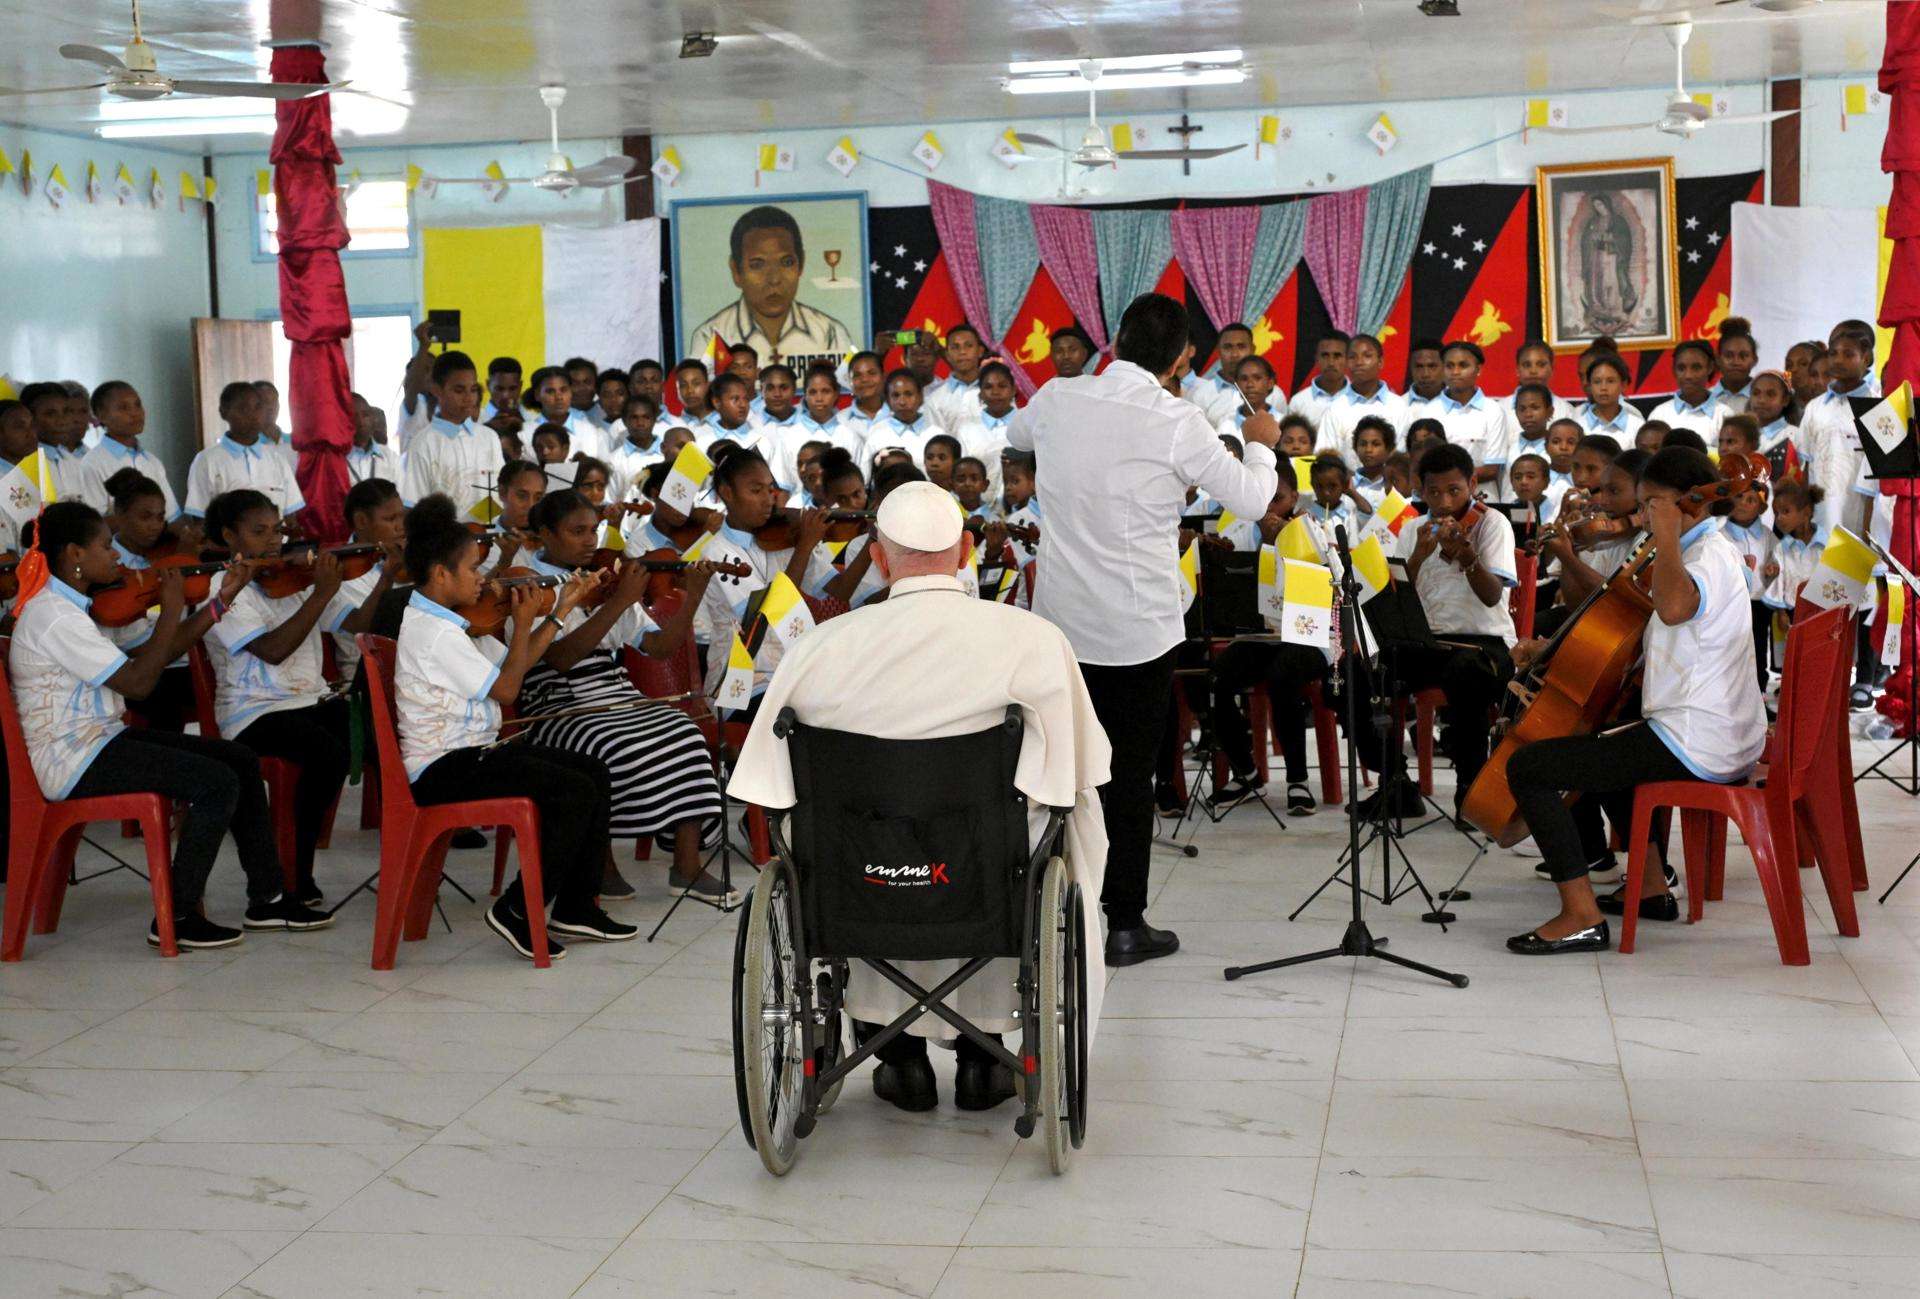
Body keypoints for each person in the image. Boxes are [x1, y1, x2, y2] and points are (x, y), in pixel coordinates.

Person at [729, 480, 1110, 1113]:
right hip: (989, 883)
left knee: (846, 832)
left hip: (859, 887)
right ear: (965, 551)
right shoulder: (1033, 640)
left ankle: (896, 1053)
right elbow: (1081, 771)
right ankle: (985, 1055)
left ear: (878, 557)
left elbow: (765, 786)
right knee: (1049, 821)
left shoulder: (818, 649)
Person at [1006, 292, 1280, 966]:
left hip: (1063, 624)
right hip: (1138, 629)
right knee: (1127, 774)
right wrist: (1263, 447)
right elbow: (1251, 497)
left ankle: (1041, 909)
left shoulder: (1058, 397)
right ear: (1183, 358)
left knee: (1058, 768)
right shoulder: (1177, 419)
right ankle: (1123, 922)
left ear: (1116, 341)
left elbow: (1015, 437)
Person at [9, 500, 332, 948]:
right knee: (215, 782)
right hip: (73, 758)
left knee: (237, 759)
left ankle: (268, 899)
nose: (118, 557)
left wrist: (220, 602)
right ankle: (175, 916)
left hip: (97, 741)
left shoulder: (75, 609)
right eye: (106, 547)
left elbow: (151, 655)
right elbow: (141, 684)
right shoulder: (54, 617)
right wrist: (172, 604)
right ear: (74, 555)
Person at [1504, 447, 1766, 952]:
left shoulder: (1705, 553)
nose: (1639, 516)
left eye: (1651, 504)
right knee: (1605, 744)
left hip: (1699, 738)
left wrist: (1666, 534)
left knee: (1530, 768)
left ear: (1687, 504)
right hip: (1711, 729)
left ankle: (1579, 914)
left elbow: (1671, 609)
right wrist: (1554, 651)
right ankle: (1649, 888)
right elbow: (1655, 636)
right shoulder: (1701, 549)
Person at [394, 495, 633, 958]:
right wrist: (524, 622)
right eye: (472, 569)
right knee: (572, 790)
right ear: (441, 574)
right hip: (443, 768)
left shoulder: (456, 623)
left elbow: (513, 667)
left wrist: (559, 611)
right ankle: (517, 909)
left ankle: (576, 907)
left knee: (592, 770)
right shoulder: (434, 632)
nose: (484, 579)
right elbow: (507, 693)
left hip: (473, 753)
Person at [513, 489, 733, 905]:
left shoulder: (604, 577)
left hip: (616, 692)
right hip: (557, 704)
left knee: (684, 732)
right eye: (576, 532)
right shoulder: (527, 582)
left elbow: (659, 647)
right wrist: (618, 602)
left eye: (593, 530)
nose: (590, 541)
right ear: (545, 534)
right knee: (605, 744)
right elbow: (560, 658)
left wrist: (694, 594)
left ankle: (685, 865)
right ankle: (601, 864)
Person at [201, 489, 352, 906]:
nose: (273, 540)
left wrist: (388, 574)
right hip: (254, 713)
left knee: (370, 731)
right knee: (327, 754)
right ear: (230, 536)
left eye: (277, 530)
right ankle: (294, 870)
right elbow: (272, 650)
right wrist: (320, 592)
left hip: (308, 700)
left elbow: (359, 620)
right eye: (259, 531)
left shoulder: (292, 576)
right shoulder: (223, 587)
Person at [1377, 442, 1519, 818]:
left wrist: (1468, 556)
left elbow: (1491, 597)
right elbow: (1397, 599)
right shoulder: (1412, 529)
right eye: (1434, 492)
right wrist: (1420, 556)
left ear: (1472, 484)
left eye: (1454, 491)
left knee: (1465, 676)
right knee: (1360, 676)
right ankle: (1396, 784)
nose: (1443, 501)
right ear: (1420, 491)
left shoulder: (1492, 523)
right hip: (1427, 643)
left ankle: (1469, 789)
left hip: (1482, 644)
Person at [1209, 462, 1329, 818]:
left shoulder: (1313, 530)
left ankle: (1297, 779)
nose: (1270, 509)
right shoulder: (1242, 532)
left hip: (1308, 638)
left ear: (1294, 496)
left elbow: (1323, 593)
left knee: (1283, 677)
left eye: (1277, 499)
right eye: (1262, 500)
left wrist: (1283, 545)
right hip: (1260, 636)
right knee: (1217, 677)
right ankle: (1246, 772)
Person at [686, 205, 856, 370]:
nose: (774, 279)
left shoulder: (830, 332)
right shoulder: (710, 335)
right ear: (736, 270)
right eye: (757, 265)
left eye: (786, 263)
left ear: (801, 264)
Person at [101, 469, 199, 732]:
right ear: (120, 515)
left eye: (160, 517)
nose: (155, 526)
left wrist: (186, 560)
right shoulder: (110, 567)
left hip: (177, 658)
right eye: (145, 517)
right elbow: (131, 645)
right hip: (139, 666)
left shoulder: (163, 554)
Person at [401, 351, 506, 518]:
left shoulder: (489, 437)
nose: (468, 398)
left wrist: (477, 526)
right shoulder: (423, 443)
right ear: (437, 390)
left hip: (489, 538)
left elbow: (500, 495)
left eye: (473, 390)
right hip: (444, 539)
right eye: (459, 390)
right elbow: (417, 504)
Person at [1802, 319, 1878, 542]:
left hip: (1857, 518)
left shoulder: (1877, 407)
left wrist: (1868, 532)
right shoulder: (1815, 407)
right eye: (1834, 353)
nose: (1839, 360)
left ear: (1865, 358)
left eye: (1848, 354)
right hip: (1819, 519)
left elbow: (1877, 482)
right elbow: (1807, 467)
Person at [184, 382, 305, 522]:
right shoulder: (207, 460)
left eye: (258, 407)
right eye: (243, 409)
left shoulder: (277, 459)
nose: (253, 415)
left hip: (275, 543)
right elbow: (200, 518)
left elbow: (291, 516)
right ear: (224, 412)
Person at [75, 381, 180, 521]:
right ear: (101, 415)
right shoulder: (93, 463)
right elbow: (96, 523)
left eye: (138, 405)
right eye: (123, 408)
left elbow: (172, 516)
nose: (135, 413)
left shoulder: (152, 461)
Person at [1433, 341, 1516, 492]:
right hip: (1440, 498)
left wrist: (1448, 480)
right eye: (1449, 366)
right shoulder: (1430, 411)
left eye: (1463, 365)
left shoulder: (1493, 411)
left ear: (1478, 369)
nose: (1455, 372)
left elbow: (1492, 469)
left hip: (1483, 499)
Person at [1315, 333, 1404, 461]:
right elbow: (1325, 458)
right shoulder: (1336, 408)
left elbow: (1401, 457)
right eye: (1352, 357)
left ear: (1380, 362)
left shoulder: (1398, 406)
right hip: (1347, 480)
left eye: (1367, 356)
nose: (1359, 362)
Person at [858, 369, 943, 472]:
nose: (902, 402)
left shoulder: (936, 434)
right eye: (895, 395)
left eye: (909, 394)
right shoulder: (877, 435)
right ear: (888, 400)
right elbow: (866, 479)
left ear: (920, 397)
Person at [1649, 341, 1728, 439]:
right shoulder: (1660, 414)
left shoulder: (1724, 415)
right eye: (1681, 368)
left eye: (1696, 368)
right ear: (1674, 370)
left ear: (1710, 368)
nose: (1688, 376)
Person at [925, 322, 987, 429]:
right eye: (955, 347)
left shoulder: (997, 391)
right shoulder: (935, 399)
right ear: (947, 355)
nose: (962, 352)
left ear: (980, 351)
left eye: (969, 346)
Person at [1288, 331, 1349, 428]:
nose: (1331, 363)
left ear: (1348, 359)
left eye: (1337, 356)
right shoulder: (1298, 402)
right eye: (1325, 356)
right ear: (1316, 359)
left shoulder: (1362, 401)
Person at [1577, 354, 1644, 441]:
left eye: (1610, 381)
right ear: (1589, 386)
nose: (1603, 387)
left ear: (1623, 385)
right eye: (1597, 382)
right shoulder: (1578, 425)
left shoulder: (1637, 426)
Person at [347, 393, 402, 485]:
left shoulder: (390, 457)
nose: (361, 421)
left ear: (372, 418)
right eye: (354, 416)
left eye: (365, 415)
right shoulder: (338, 459)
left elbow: (402, 495)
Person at [1713, 318, 1758, 412]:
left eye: (1743, 356)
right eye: (1729, 356)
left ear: (1754, 360)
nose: (1736, 362)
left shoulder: (1765, 399)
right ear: (1718, 359)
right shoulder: (1705, 398)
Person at [482, 356, 524, 426]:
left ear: (520, 386)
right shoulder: (474, 422)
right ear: (488, 385)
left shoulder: (533, 421)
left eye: (512, 389)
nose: (506, 395)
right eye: (499, 389)